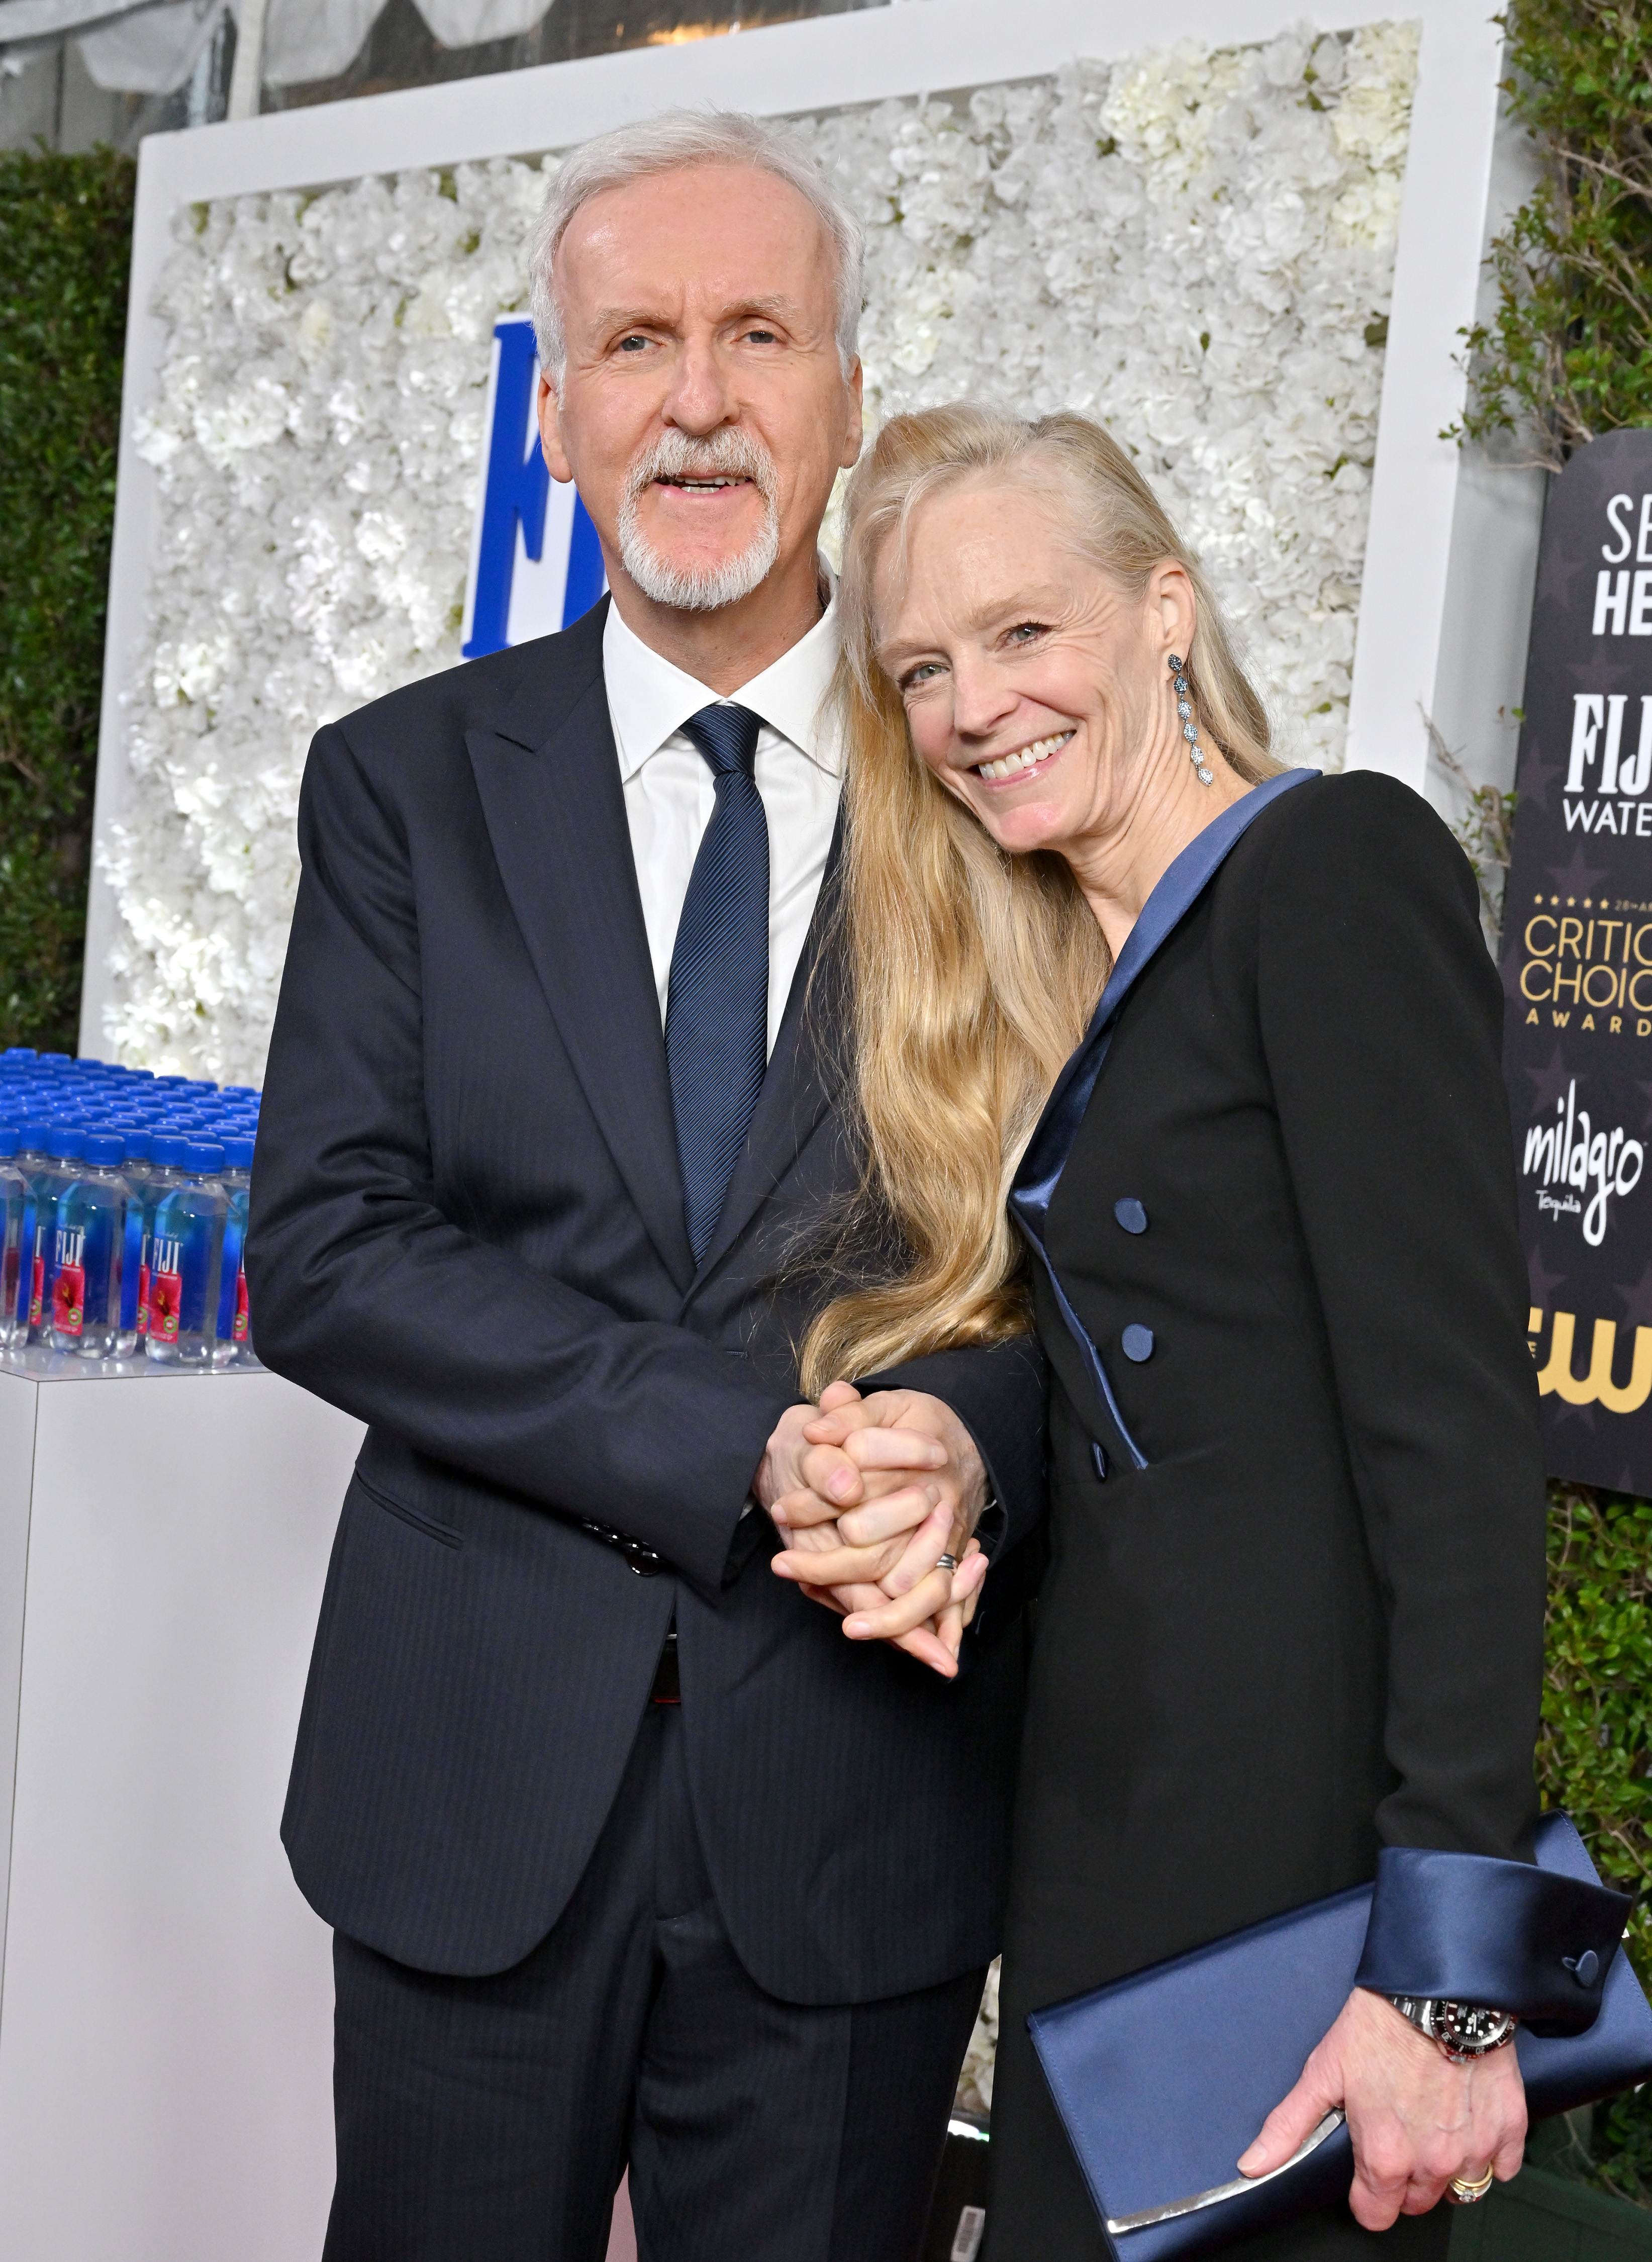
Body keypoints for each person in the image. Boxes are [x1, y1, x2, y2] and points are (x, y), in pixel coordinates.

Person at [245, 121, 1044, 2262]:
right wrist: (740, 1445)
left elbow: (1072, 1269)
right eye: (638, 341)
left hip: (856, 1797)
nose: (698, 396)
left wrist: (966, 1443)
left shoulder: (991, 796)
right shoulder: (401, 786)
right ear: (564, 408)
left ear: (848, 400)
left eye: (759, 334)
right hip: (473, 1780)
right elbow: (323, 1255)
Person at [767, 403, 1574, 2257]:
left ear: (1167, 613)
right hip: (1105, 1877)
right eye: (924, 669)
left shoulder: (1335, 869)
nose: (976, 705)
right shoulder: (1083, 985)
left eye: (1026, 632)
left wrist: (1447, 1987)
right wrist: (945, 1476)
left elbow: (1456, 1441)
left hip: (1292, 1912)